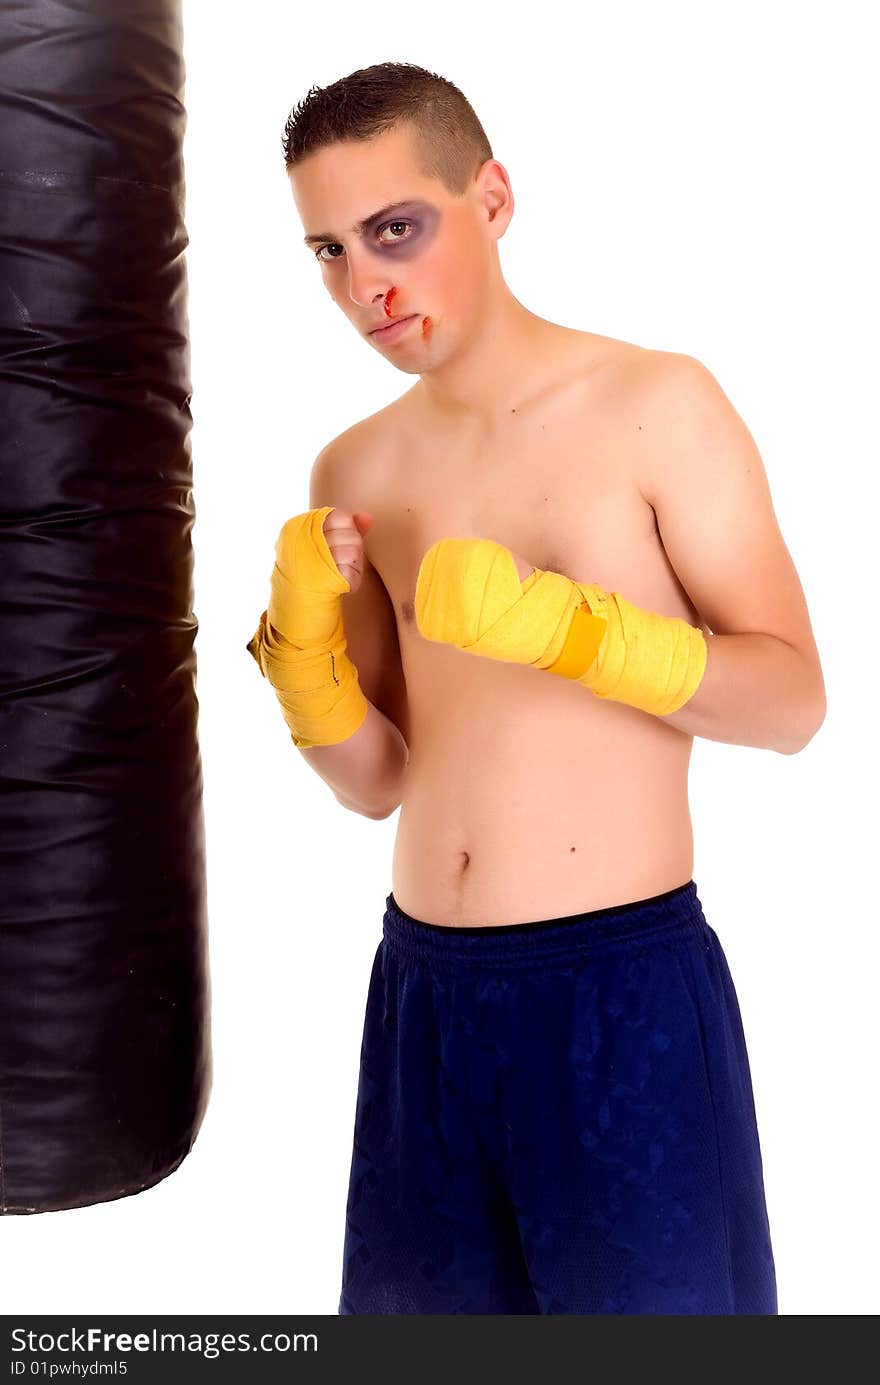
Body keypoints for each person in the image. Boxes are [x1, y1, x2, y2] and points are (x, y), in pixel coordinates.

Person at [247, 61, 825, 1314]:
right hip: (422, 1001)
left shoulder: (654, 404)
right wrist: (301, 664)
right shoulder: (355, 461)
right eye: (329, 250)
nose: (365, 286)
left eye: (394, 229)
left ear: (492, 196)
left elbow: (791, 701)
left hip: (616, 991)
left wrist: (574, 632)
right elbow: (378, 779)